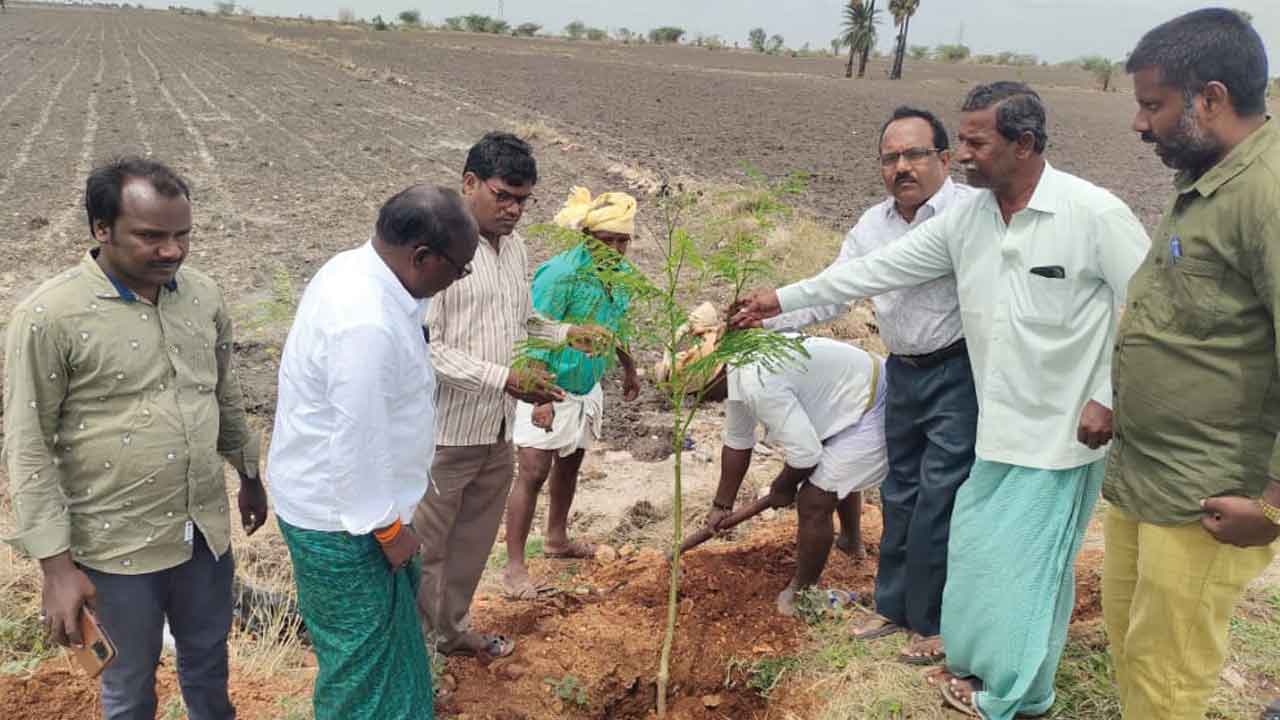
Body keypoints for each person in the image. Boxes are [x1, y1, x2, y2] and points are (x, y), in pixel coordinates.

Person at [731, 82, 1150, 719]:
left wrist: (1108, 395)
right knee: (980, 546)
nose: (964, 156)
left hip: (1065, 430)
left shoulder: (1092, 213)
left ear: (1024, 144)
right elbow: (871, 272)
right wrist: (779, 300)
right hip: (996, 419)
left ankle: (1016, 693)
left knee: (1029, 564)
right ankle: (972, 657)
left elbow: (1149, 308)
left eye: (976, 143)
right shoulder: (969, 221)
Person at [3, 157, 265, 720]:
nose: (171, 250)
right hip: (114, 547)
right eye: (151, 236)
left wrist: (249, 475)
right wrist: (56, 570)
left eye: (182, 235)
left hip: (203, 532)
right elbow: (27, 448)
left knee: (208, 667)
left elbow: (224, 396)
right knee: (128, 691)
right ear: (102, 229)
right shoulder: (50, 316)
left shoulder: (203, 296)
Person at [1104, 10, 1280, 720]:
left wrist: (1272, 507)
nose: (1140, 125)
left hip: (1210, 496)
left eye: (1154, 105)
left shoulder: (1266, 195)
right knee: (1131, 647)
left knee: (1168, 673)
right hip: (1146, 476)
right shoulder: (1205, 175)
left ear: (1210, 98)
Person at [764, 106, 978, 663]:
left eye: (915, 154)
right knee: (899, 493)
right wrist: (760, 319)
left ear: (944, 159)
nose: (902, 167)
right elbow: (834, 292)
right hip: (902, 371)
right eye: (890, 158)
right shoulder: (872, 225)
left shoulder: (970, 213)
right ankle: (894, 608)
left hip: (961, 373)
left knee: (941, 498)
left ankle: (935, 624)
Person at [267, 186, 478, 720]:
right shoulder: (364, 320)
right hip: (345, 522)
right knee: (359, 669)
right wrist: (387, 529)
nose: (460, 279)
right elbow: (355, 439)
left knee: (395, 650)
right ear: (422, 258)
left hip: (365, 511)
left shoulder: (368, 273)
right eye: (460, 268)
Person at [415, 132, 610, 662]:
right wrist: (503, 379)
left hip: (497, 429)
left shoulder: (515, 248)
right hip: (444, 433)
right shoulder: (438, 250)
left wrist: (568, 334)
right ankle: (418, 655)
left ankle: (453, 634)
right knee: (427, 551)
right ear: (470, 183)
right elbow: (425, 350)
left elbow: (522, 323)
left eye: (523, 200)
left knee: (473, 545)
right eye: (503, 195)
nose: (514, 209)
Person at [673, 305, 888, 617]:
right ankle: (850, 543)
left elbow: (806, 454)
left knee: (814, 498)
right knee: (832, 467)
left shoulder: (755, 379)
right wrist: (722, 504)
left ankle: (802, 593)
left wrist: (782, 487)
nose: (703, 401)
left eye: (701, 394)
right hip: (849, 398)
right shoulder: (740, 362)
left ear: (713, 379)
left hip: (875, 404)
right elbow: (737, 440)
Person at [502, 187, 642, 599]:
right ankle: (514, 568)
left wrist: (628, 366)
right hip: (548, 384)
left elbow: (614, 325)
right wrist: (540, 396)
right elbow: (533, 331)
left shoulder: (624, 278)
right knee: (532, 472)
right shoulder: (560, 274)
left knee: (570, 463)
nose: (615, 249)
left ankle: (557, 540)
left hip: (586, 385)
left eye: (622, 241)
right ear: (586, 237)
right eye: (607, 241)